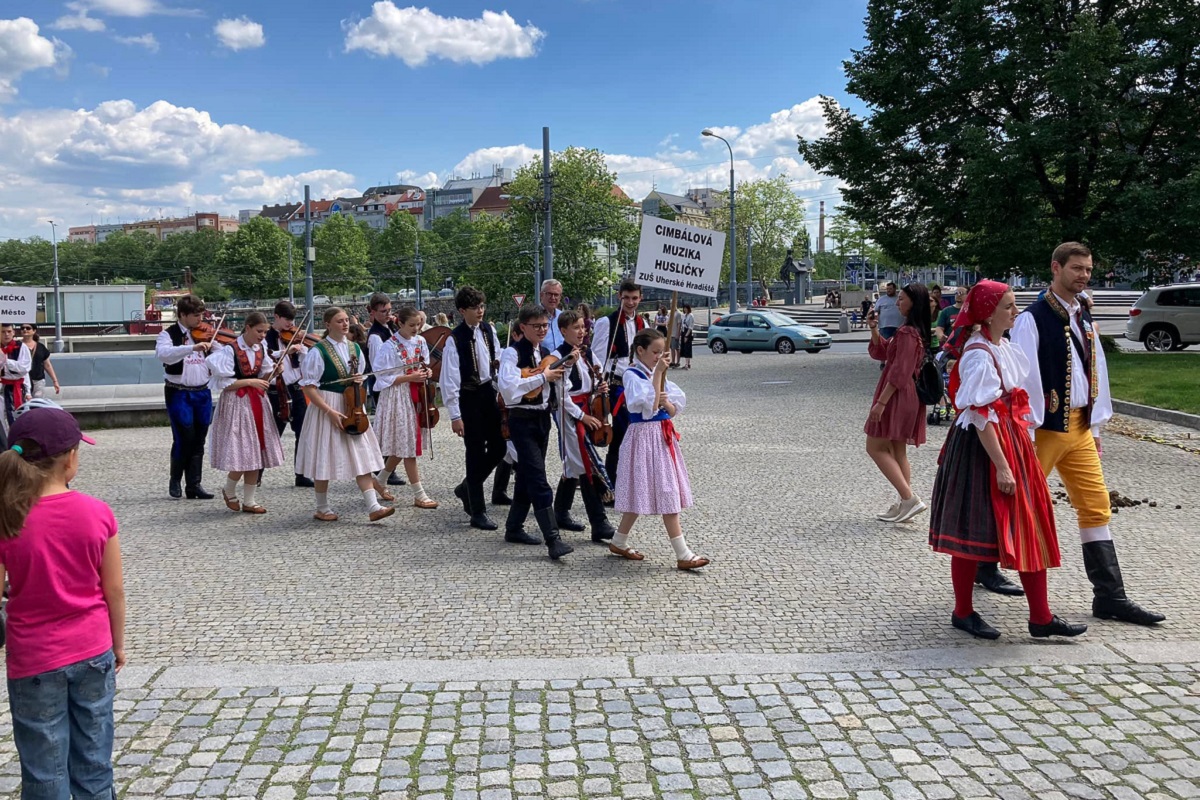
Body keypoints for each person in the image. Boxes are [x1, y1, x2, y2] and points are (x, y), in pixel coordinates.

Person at [981, 242, 1164, 626]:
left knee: (1095, 505)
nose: (1083, 275)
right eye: (1077, 268)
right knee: (1013, 501)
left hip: (1079, 427)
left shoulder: (1082, 314)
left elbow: (1095, 371)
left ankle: (1110, 596)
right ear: (1056, 268)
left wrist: (1095, 424)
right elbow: (1023, 379)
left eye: (1088, 269)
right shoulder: (1033, 319)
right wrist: (1022, 432)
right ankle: (983, 565)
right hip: (1043, 430)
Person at [929, 281, 1087, 640]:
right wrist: (1002, 465)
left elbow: (1015, 404)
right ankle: (963, 611)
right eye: (1008, 306)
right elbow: (981, 413)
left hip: (1010, 439)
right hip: (983, 448)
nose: (1016, 312)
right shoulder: (978, 355)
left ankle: (1041, 618)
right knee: (972, 533)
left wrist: (1025, 444)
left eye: (1015, 305)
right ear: (987, 314)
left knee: (1031, 526)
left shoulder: (1004, 347)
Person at [0, 406, 126, 799]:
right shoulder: (96, 512)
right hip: (91, 648)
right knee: (93, 764)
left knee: (44, 770)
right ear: (71, 459)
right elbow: (114, 590)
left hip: (33, 657)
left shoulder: (7, 517)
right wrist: (117, 644)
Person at [606, 329, 707, 570]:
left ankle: (618, 540)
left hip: (662, 438)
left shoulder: (656, 373)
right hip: (643, 437)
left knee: (656, 489)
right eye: (655, 352)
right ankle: (683, 553)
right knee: (661, 490)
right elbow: (645, 409)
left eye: (662, 352)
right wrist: (658, 377)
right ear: (640, 351)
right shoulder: (632, 375)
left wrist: (667, 400)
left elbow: (672, 409)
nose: (659, 357)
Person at [295, 307, 394, 523]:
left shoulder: (355, 348)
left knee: (361, 455)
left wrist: (358, 381)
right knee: (324, 456)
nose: (345, 324)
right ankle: (322, 507)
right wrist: (329, 411)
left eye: (346, 320)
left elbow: (359, 379)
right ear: (328, 324)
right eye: (339, 321)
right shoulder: (317, 351)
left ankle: (373, 506)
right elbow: (309, 387)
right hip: (327, 405)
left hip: (352, 405)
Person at [497, 304, 573, 559]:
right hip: (521, 419)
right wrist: (543, 377)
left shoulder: (547, 353)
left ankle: (514, 527)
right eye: (536, 326)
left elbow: (559, 387)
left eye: (544, 325)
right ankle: (553, 540)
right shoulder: (511, 353)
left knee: (528, 476)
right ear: (523, 327)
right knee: (538, 477)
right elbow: (508, 389)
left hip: (543, 418)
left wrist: (564, 372)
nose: (542, 329)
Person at [206, 312, 286, 514]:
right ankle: (229, 489)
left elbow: (264, 377)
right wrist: (250, 382)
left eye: (265, 332)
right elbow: (223, 383)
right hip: (237, 402)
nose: (262, 336)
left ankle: (249, 500)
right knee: (242, 452)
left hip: (257, 402)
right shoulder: (229, 350)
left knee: (256, 453)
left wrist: (274, 372)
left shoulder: (261, 348)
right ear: (247, 327)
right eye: (259, 331)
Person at [865, 283, 932, 523]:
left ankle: (909, 499)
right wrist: (874, 329)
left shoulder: (907, 333)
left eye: (902, 299)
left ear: (914, 303)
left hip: (897, 395)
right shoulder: (912, 331)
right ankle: (905, 502)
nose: (897, 302)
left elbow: (899, 372)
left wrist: (881, 403)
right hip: (905, 394)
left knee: (874, 447)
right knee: (897, 450)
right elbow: (884, 353)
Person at [443, 287, 508, 531]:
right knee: (474, 452)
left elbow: (498, 358)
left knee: (500, 446)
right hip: (468, 396)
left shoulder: (488, 330)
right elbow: (449, 378)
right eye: (475, 308)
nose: (480, 311)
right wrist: (455, 415)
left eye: (482, 306)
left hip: (488, 393)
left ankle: (467, 487)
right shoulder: (455, 338)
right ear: (462, 311)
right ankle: (477, 511)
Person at [550, 310, 616, 543]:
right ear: (563, 331)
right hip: (570, 416)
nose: (581, 332)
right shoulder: (558, 357)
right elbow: (561, 395)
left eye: (583, 327)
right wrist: (582, 416)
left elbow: (593, 380)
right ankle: (599, 523)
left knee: (575, 465)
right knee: (587, 465)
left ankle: (559, 512)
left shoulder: (587, 354)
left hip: (587, 409)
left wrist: (600, 389)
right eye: (576, 328)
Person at [372, 306, 438, 509]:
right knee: (408, 445)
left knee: (404, 443)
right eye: (411, 325)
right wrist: (409, 377)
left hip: (418, 395)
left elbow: (425, 365)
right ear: (399, 323)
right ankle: (419, 494)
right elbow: (381, 376)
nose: (416, 328)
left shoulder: (420, 341)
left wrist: (426, 373)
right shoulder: (389, 346)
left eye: (418, 324)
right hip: (398, 396)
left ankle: (380, 480)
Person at [155, 294, 216, 500]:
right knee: (183, 437)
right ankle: (175, 479)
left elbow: (224, 356)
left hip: (202, 392)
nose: (200, 320)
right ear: (182, 315)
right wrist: (192, 347)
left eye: (202, 315)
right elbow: (164, 354)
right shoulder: (167, 335)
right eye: (196, 316)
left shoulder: (206, 335)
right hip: (178, 392)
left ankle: (194, 485)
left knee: (199, 439)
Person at [591, 279, 647, 490]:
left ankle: (628, 481)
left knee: (636, 434)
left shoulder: (643, 324)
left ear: (640, 298)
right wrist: (598, 386)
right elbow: (597, 357)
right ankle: (612, 484)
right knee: (621, 435)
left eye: (635, 298)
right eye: (627, 298)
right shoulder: (607, 322)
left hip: (636, 385)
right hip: (616, 386)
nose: (631, 302)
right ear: (619, 297)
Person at [264, 301, 314, 488]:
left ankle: (301, 474)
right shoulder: (265, 335)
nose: (290, 324)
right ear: (276, 316)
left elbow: (304, 363)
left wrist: (302, 352)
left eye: (292, 320)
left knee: (303, 432)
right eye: (286, 319)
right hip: (276, 389)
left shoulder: (293, 336)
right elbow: (264, 355)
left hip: (295, 387)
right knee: (272, 433)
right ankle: (256, 474)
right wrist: (285, 352)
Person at [365, 293, 406, 487]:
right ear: (373, 312)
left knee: (392, 426)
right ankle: (383, 468)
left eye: (389, 310)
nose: (388, 314)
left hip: (394, 382)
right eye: (383, 311)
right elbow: (378, 366)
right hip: (383, 384)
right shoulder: (375, 336)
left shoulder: (390, 328)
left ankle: (385, 468)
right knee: (386, 427)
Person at [1, 322, 32, 441]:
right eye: (3, 332)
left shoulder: (21, 347)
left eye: (9, 331)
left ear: (13, 333)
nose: (6, 334)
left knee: (17, 417)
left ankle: (18, 442)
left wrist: (5, 360)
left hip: (16, 387)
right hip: (2, 386)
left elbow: (24, 368)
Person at [21, 324, 59, 399]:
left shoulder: (41, 347)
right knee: (23, 403)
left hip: (38, 380)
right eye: (22, 328)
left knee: (37, 403)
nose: (25, 330)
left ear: (34, 331)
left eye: (28, 328)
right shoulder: (17, 346)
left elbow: (47, 365)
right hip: (22, 380)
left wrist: (55, 381)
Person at [539, 279, 566, 351]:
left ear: (560, 297)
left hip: (563, 360)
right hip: (541, 360)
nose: (553, 298)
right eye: (549, 294)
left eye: (556, 294)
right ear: (541, 295)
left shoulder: (563, 316)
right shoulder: (533, 316)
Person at [678, 305, 695, 369]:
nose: (685, 309)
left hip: (687, 332)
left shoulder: (691, 316)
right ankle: (687, 363)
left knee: (687, 348)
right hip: (683, 331)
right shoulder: (684, 315)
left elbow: (690, 327)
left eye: (686, 308)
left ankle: (687, 364)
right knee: (684, 348)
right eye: (684, 308)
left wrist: (686, 336)